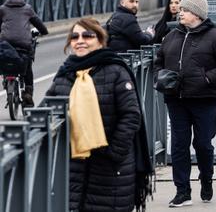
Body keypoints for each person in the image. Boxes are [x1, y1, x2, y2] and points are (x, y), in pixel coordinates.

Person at [46, 18, 151, 211]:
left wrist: (113, 152)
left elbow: (131, 115)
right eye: (75, 36)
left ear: (101, 41)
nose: (80, 40)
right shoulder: (65, 75)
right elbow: (46, 113)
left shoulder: (116, 71)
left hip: (111, 168)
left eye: (87, 35)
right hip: (74, 167)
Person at [154, 0, 216, 207]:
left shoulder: (214, 36)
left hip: (204, 98)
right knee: (179, 145)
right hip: (176, 99)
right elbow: (158, 60)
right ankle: (182, 191)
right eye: (180, 9)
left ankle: (206, 180)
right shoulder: (172, 35)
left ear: (197, 14)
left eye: (185, 10)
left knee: (202, 144)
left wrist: (207, 78)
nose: (180, 13)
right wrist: (160, 77)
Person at [0, 0, 49, 107]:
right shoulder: (27, 8)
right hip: (24, 44)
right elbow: (39, 25)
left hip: (6, 43)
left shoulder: (2, 9)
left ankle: (7, 79)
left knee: (5, 59)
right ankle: (28, 94)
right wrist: (43, 32)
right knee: (27, 69)